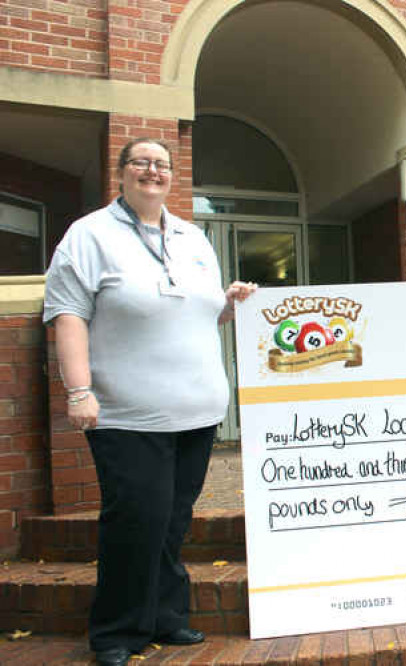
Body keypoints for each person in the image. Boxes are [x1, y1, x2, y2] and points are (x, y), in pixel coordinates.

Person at [43, 138, 257, 666]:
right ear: (120, 173)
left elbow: (201, 314)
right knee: (136, 518)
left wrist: (228, 305)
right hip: (125, 412)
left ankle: (165, 615)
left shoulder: (192, 236)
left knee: (173, 519)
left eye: (161, 164)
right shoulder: (88, 235)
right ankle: (116, 632)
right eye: (140, 161)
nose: (152, 171)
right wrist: (78, 390)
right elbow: (68, 314)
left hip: (198, 410)